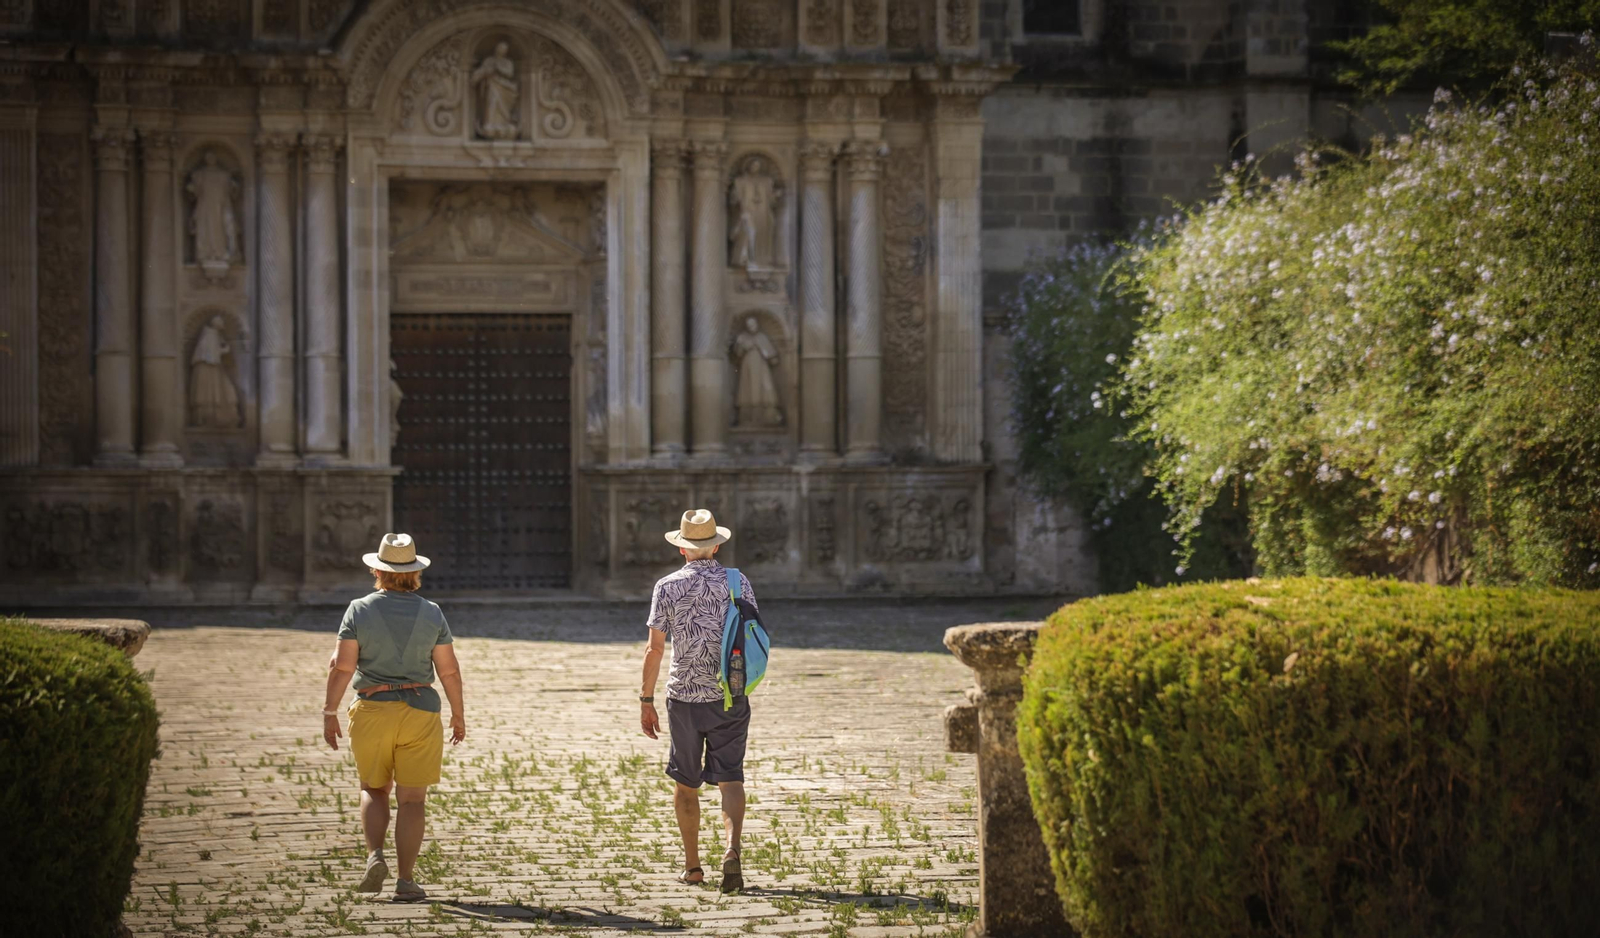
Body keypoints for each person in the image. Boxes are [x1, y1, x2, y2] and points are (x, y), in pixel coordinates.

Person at [321, 533, 466, 902]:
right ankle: (406, 879)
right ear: (415, 572)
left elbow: (342, 666)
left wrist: (329, 711)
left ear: (377, 570)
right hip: (420, 711)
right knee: (413, 799)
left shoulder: (359, 609)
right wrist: (458, 714)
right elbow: (449, 671)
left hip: (372, 709)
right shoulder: (432, 611)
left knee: (373, 788)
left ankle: (374, 856)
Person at [640, 509, 755, 894]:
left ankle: (693, 868)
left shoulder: (667, 586)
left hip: (684, 698)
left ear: (682, 549)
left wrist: (645, 698)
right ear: (717, 545)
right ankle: (732, 849)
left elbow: (655, 649)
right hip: (729, 694)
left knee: (686, 785)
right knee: (731, 778)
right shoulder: (739, 583)